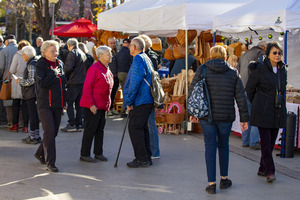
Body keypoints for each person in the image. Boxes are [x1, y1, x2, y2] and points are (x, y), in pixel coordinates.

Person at [189, 45, 249, 194]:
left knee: (210, 147)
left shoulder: (202, 69)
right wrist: (244, 118)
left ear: (210, 56)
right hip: (226, 116)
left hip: (206, 116)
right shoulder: (233, 72)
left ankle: (211, 184)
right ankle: (224, 179)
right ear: (225, 57)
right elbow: (241, 97)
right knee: (223, 145)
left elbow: (193, 92)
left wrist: (192, 112)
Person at [246, 42, 287, 183]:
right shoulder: (260, 69)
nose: (277, 55)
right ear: (268, 54)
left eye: (279, 53)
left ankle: (262, 168)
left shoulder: (282, 70)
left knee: (271, 141)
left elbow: (282, 89)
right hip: (263, 109)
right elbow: (249, 89)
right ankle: (270, 171)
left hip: (277, 109)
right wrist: (258, 102)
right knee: (266, 142)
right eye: (274, 53)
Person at [34, 40, 66, 172]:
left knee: (53, 133)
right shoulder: (40, 64)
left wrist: (65, 101)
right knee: (50, 132)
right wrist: (53, 73)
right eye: (52, 51)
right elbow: (42, 83)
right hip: (45, 104)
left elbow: (63, 83)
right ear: (44, 52)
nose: (55, 53)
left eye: (56, 50)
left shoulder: (60, 63)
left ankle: (39, 152)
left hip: (58, 104)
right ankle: (50, 162)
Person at [79, 46, 113, 163]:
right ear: (100, 56)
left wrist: (108, 105)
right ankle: (85, 154)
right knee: (90, 129)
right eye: (108, 54)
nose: (111, 56)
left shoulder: (107, 68)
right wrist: (91, 104)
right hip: (92, 106)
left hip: (102, 106)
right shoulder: (94, 68)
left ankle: (98, 152)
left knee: (100, 130)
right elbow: (87, 88)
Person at [123, 37, 154, 168]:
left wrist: (129, 101)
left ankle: (141, 158)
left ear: (134, 47)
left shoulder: (138, 59)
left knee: (135, 128)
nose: (129, 48)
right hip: (146, 99)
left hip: (140, 100)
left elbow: (135, 82)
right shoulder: (145, 57)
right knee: (142, 128)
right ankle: (146, 156)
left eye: (130, 46)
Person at [237, 41, 267, 150]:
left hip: (243, 89)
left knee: (246, 116)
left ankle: (245, 141)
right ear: (264, 47)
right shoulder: (261, 54)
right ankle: (253, 142)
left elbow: (238, 70)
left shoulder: (244, 55)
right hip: (255, 90)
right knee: (256, 116)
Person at [139, 34, 160, 159]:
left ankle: (154, 151)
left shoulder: (148, 57)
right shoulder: (149, 56)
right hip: (148, 93)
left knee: (150, 123)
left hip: (148, 94)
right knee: (148, 123)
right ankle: (151, 149)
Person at [61, 38, 86, 132]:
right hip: (81, 81)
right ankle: (78, 123)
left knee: (70, 103)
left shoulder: (72, 53)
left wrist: (65, 76)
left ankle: (72, 123)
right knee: (79, 104)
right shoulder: (82, 53)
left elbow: (68, 68)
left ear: (69, 45)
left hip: (74, 81)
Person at [19, 46, 41, 144]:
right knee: (34, 115)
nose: (22, 56)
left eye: (23, 54)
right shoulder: (34, 62)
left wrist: (20, 81)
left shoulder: (31, 64)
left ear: (27, 55)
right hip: (34, 92)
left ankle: (33, 137)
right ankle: (36, 135)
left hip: (31, 93)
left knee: (32, 115)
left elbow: (32, 80)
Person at [9, 40, 31, 133]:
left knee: (16, 105)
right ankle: (25, 126)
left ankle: (15, 125)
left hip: (17, 82)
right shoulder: (31, 57)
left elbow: (12, 69)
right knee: (26, 106)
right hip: (27, 82)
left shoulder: (17, 56)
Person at [0, 34, 18, 127]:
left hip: (7, 79)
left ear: (6, 42)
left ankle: (9, 121)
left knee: (7, 99)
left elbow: (1, 66)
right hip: (19, 79)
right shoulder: (21, 49)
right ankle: (20, 122)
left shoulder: (4, 50)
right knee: (18, 100)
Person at [116, 38, 132, 117]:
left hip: (119, 73)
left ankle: (124, 109)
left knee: (124, 91)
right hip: (126, 73)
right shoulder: (129, 53)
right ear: (129, 44)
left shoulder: (118, 53)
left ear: (123, 44)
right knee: (126, 92)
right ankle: (123, 111)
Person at [107, 37, 119, 116]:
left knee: (114, 93)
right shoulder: (106, 52)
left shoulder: (116, 51)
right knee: (109, 93)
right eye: (111, 43)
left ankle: (111, 107)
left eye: (114, 43)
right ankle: (108, 108)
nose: (113, 44)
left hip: (116, 75)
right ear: (108, 43)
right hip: (109, 75)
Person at [0, 35, 7, 125]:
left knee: (2, 99)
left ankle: (3, 118)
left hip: (3, 78)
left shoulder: (2, 51)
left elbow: (1, 66)